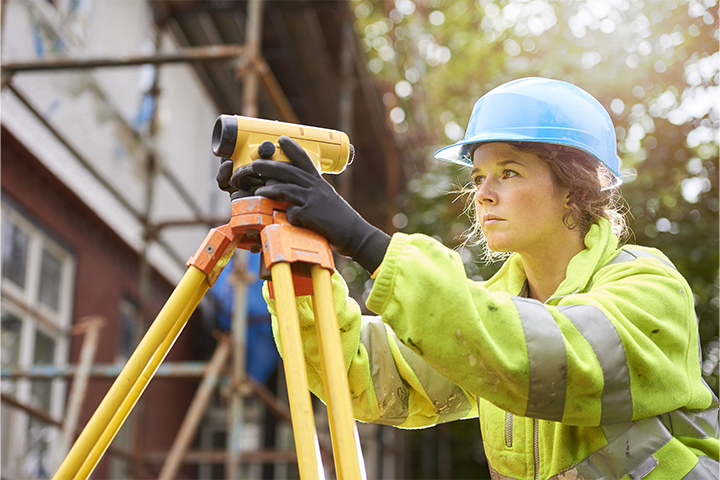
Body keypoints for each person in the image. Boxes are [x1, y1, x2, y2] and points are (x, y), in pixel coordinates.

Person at [220, 77, 719, 479]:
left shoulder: (650, 287)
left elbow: (558, 360)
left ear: (574, 188)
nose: (483, 193)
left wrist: (367, 243)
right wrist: (303, 259)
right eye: (479, 176)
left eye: (510, 172)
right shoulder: (483, 318)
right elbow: (364, 378)